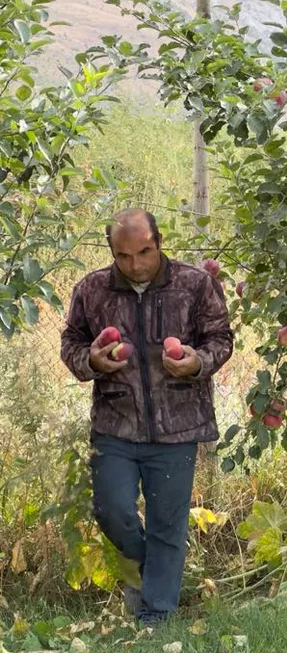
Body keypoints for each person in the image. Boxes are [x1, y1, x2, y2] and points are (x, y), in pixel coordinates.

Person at [60, 208, 233, 626]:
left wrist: (197, 362)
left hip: (178, 427)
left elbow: (221, 339)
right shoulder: (92, 289)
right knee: (112, 509)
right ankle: (147, 568)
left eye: (144, 252)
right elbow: (72, 343)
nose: (135, 265)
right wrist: (93, 361)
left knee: (167, 524)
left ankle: (155, 615)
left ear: (158, 243)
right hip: (116, 425)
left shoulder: (195, 285)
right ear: (111, 252)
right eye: (124, 256)